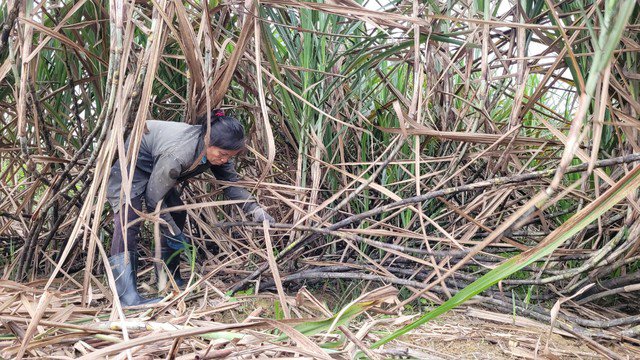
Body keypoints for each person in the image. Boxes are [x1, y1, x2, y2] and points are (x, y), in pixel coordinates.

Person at [106, 110, 274, 306]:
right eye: (222, 155)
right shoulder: (178, 156)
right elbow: (154, 202)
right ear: (206, 141)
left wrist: (255, 210)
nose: (225, 160)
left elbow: (231, 185)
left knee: (177, 212)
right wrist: (174, 233)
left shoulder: (218, 151)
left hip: (157, 168)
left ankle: (167, 281)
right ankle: (126, 297)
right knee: (129, 222)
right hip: (131, 168)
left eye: (230, 156)